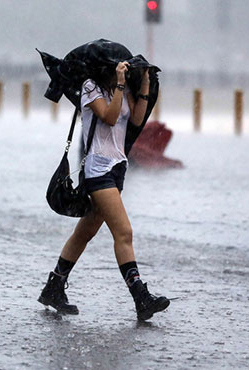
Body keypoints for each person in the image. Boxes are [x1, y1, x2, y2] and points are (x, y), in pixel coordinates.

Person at [38, 61, 170, 321]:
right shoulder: (91, 87)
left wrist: (143, 84)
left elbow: (136, 118)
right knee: (124, 232)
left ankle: (54, 286)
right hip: (98, 169)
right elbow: (108, 117)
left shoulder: (120, 90)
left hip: (117, 167)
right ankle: (140, 297)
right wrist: (120, 84)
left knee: (85, 232)